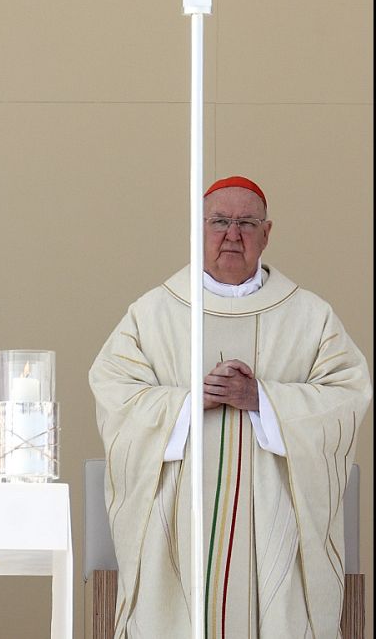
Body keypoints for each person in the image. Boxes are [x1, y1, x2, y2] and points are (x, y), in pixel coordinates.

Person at [90, 176, 370, 638]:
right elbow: (115, 394)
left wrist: (262, 400)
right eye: (219, 221)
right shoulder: (153, 312)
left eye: (246, 222)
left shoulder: (310, 316)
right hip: (177, 522)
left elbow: (347, 395)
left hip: (275, 520)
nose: (232, 234)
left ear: (267, 232)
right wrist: (188, 401)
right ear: (198, 229)